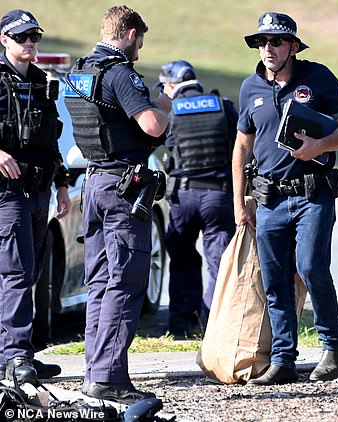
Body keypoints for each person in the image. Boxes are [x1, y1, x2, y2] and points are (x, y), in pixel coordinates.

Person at [233, 12, 338, 385]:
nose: (267, 49)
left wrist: (319, 145)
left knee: (310, 268)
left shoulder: (318, 77)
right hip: (269, 199)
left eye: (275, 41)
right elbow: (242, 148)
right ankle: (283, 360)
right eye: (261, 42)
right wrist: (239, 202)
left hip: (313, 194)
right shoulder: (250, 88)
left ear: (293, 46)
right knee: (274, 280)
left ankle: (334, 349)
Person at [64, 5, 171, 404]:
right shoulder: (120, 73)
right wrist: (165, 103)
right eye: (140, 39)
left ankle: (95, 373)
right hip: (123, 188)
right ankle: (109, 378)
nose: (140, 48)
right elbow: (152, 126)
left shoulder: (79, 72)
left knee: (99, 284)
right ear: (128, 33)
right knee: (125, 283)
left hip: (94, 183)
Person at [0, 9, 71, 384]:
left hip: (39, 188)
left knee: (30, 272)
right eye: (22, 37)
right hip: (6, 192)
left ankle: (18, 353)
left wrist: (61, 183)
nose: (30, 43)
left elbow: (52, 139)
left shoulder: (43, 82)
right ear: (5, 41)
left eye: (35, 36)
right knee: (15, 272)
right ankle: (14, 357)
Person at [158, 60, 237, 338]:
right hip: (219, 195)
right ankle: (213, 323)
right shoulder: (223, 105)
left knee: (182, 259)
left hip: (184, 196)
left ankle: (181, 325)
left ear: (170, 85)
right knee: (220, 262)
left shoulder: (170, 112)